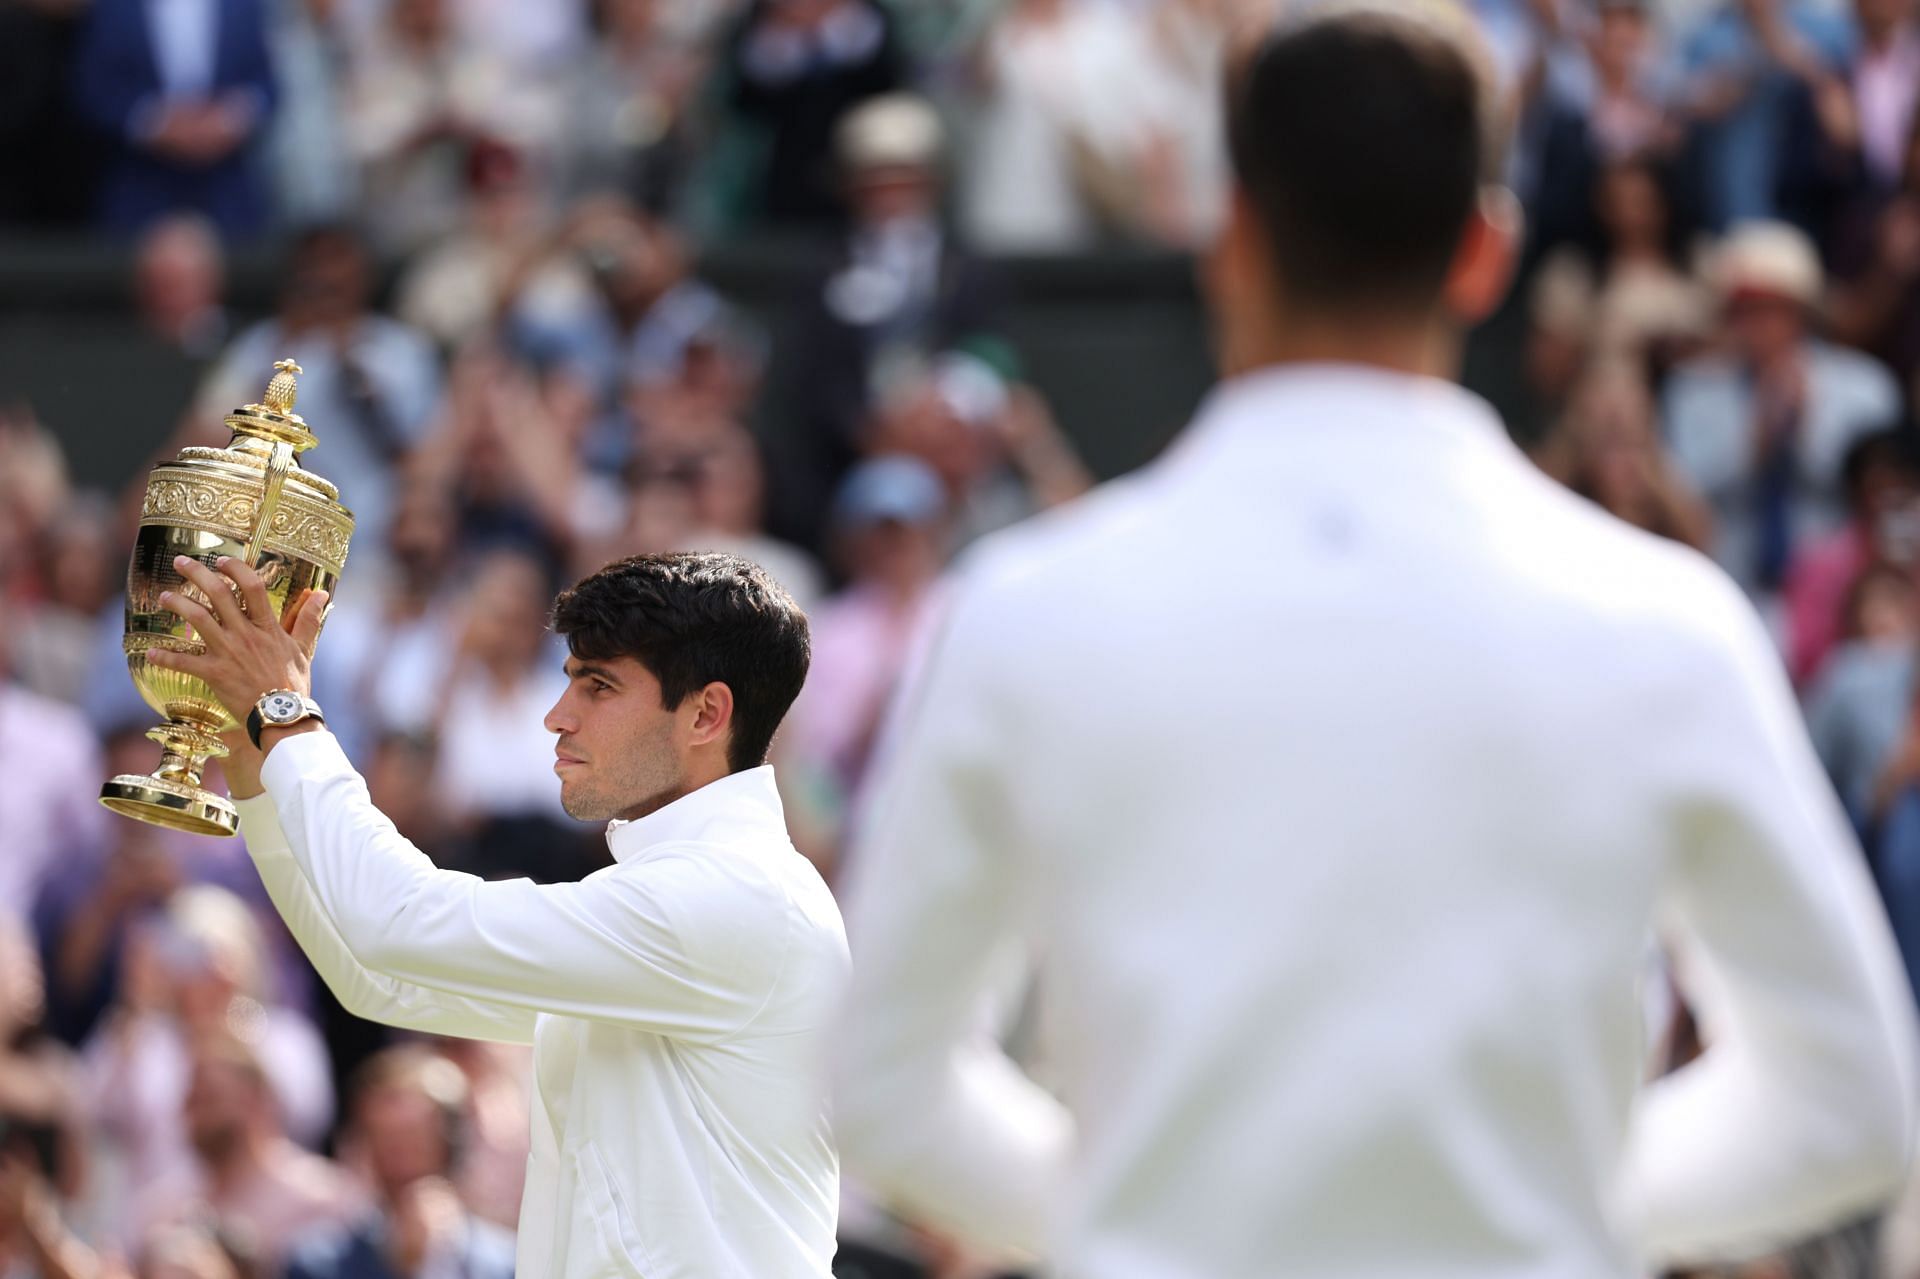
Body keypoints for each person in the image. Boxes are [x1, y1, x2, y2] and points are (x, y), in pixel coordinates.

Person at [832, 7, 1919, 1278]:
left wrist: (1142, 1209)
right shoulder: (1665, 618)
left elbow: (883, 1084)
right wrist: (1540, 1206)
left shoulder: (1021, 609)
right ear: (1486, 253)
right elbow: (1848, 1102)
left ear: (1229, 239)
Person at [146, 550, 846, 1276]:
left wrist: (286, 714)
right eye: (569, 679)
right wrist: (254, 767)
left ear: (707, 713)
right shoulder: (695, 894)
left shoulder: (733, 894)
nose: (556, 716)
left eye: (599, 686)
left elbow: (401, 923)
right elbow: (380, 979)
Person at [286, 1047, 515, 1279]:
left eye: (415, 1139)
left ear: (450, 1144)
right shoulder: (318, 1264)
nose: (400, 1160)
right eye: (384, 1139)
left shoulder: (509, 1263)